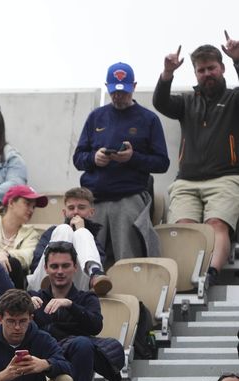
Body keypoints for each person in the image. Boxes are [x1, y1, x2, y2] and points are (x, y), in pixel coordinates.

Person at [153, 36, 239, 285]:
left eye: (211, 68)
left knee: (216, 225)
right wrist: (168, 73)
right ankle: (182, 282)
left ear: (222, 68)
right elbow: (161, 102)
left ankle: (210, 276)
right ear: (195, 73)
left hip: (226, 178)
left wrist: (237, 59)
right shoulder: (186, 102)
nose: (206, 73)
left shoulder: (234, 99)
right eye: (201, 70)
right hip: (187, 182)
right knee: (183, 229)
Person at [74, 62, 169, 265]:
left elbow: (162, 163)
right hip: (95, 197)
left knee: (127, 255)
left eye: (123, 92)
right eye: (114, 92)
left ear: (133, 86)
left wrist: (132, 158)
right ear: (107, 86)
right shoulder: (96, 116)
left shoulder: (148, 119)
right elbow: (78, 158)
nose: (118, 96)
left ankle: (131, 293)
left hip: (129, 196)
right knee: (90, 257)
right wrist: (94, 158)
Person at [26, 241, 124, 381]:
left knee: (82, 344)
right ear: (46, 269)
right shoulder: (35, 298)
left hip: (75, 355)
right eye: (54, 266)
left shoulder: (86, 299)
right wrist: (23, 304)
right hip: (42, 357)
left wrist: (70, 305)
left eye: (65, 266)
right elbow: (1, 303)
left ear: (75, 267)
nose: (60, 271)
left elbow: (95, 326)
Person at [27, 187, 112, 295]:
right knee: (64, 229)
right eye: (71, 208)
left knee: (82, 233)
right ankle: (50, 279)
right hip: (43, 284)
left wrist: (81, 229)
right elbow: (36, 262)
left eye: (81, 207)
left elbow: (101, 259)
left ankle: (95, 273)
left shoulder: (90, 237)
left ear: (91, 212)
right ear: (64, 212)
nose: (76, 212)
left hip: (75, 287)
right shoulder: (52, 232)